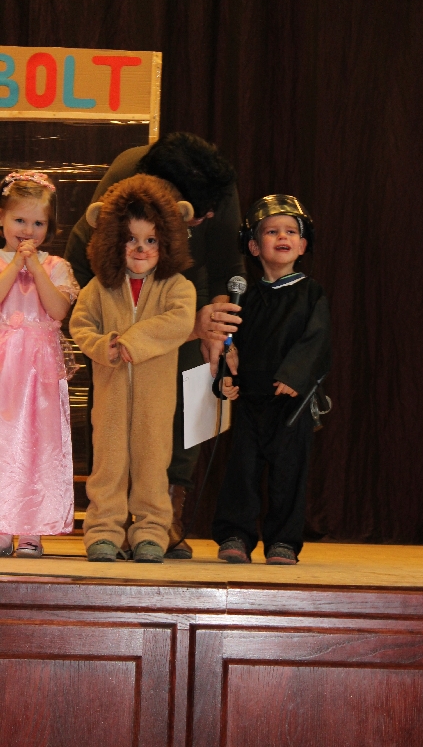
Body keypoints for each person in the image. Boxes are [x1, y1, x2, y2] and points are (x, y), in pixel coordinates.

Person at [65, 132, 245, 558]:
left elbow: (227, 266)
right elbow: (79, 274)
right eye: (197, 217)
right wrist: (104, 338)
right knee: (112, 426)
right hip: (116, 294)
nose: (205, 220)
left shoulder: (217, 189)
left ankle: (167, 508)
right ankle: (108, 521)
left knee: (197, 383)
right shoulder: (123, 183)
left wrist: (218, 334)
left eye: (206, 216)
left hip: (185, 287)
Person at [69, 174, 196, 563]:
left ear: (168, 241)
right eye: (131, 239)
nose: (141, 249)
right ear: (111, 240)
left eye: (151, 240)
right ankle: (103, 531)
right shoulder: (99, 288)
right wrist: (104, 346)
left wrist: (132, 342)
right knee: (107, 465)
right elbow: (80, 325)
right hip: (110, 396)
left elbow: (179, 322)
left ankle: (151, 532)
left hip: (156, 399)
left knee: (153, 464)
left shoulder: (176, 286)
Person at [212, 195, 331, 565]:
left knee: (288, 472)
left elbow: (317, 340)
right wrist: (225, 375)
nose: (283, 237)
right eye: (272, 231)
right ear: (253, 246)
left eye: (291, 232)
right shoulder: (244, 295)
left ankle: (283, 540)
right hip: (250, 398)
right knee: (242, 469)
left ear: (303, 245)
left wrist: (295, 375)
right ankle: (236, 534)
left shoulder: (311, 293)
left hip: (291, 401)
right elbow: (230, 343)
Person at [0, 171, 80, 558]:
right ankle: (2, 525)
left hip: (39, 372)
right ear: (1, 218)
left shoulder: (56, 265)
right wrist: (16, 264)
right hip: (3, 366)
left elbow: (58, 310)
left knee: (38, 443)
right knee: (3, 443)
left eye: (38, 223)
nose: (28, 231)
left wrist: (35, 268)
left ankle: (32, 529)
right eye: (19, 220)